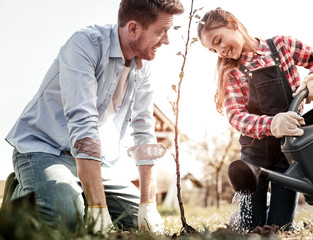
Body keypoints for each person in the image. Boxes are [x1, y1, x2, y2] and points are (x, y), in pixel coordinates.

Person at [5, 0, 184, 233]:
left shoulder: (144, 67)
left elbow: (144, 129)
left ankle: (71, 189)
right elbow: (83, 123)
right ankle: (21, 192)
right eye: (161, 32)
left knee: (134, 221)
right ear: (133, 28)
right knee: (67, 218)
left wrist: (148, 204)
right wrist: (98, 208)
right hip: (44, 149)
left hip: (93, 162)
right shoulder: (84, 45)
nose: (167, 40)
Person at [197, 8, 313, 230]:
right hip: (254, 158)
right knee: (250, 226)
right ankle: (239, 221)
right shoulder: (232, 72)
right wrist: (272, 124)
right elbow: (235, 116)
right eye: (214, 50)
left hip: (288, 154)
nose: (221, 51)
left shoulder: (281, 46)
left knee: (279, 227)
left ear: (233, 23)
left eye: (218, 40)